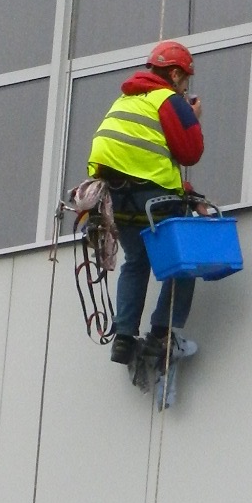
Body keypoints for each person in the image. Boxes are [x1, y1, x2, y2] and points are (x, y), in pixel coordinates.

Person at [87, 39, 204, 374]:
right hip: (153, 197)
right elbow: (190, 153)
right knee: (184, 260)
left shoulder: (124, 101)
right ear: (176, 74)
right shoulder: (167, 100)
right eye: (185, 80)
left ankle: (124, 337)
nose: (185, 87)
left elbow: (138, 156)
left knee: (136, 261)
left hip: (117, 199)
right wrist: (191, 117)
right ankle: (162, 334)